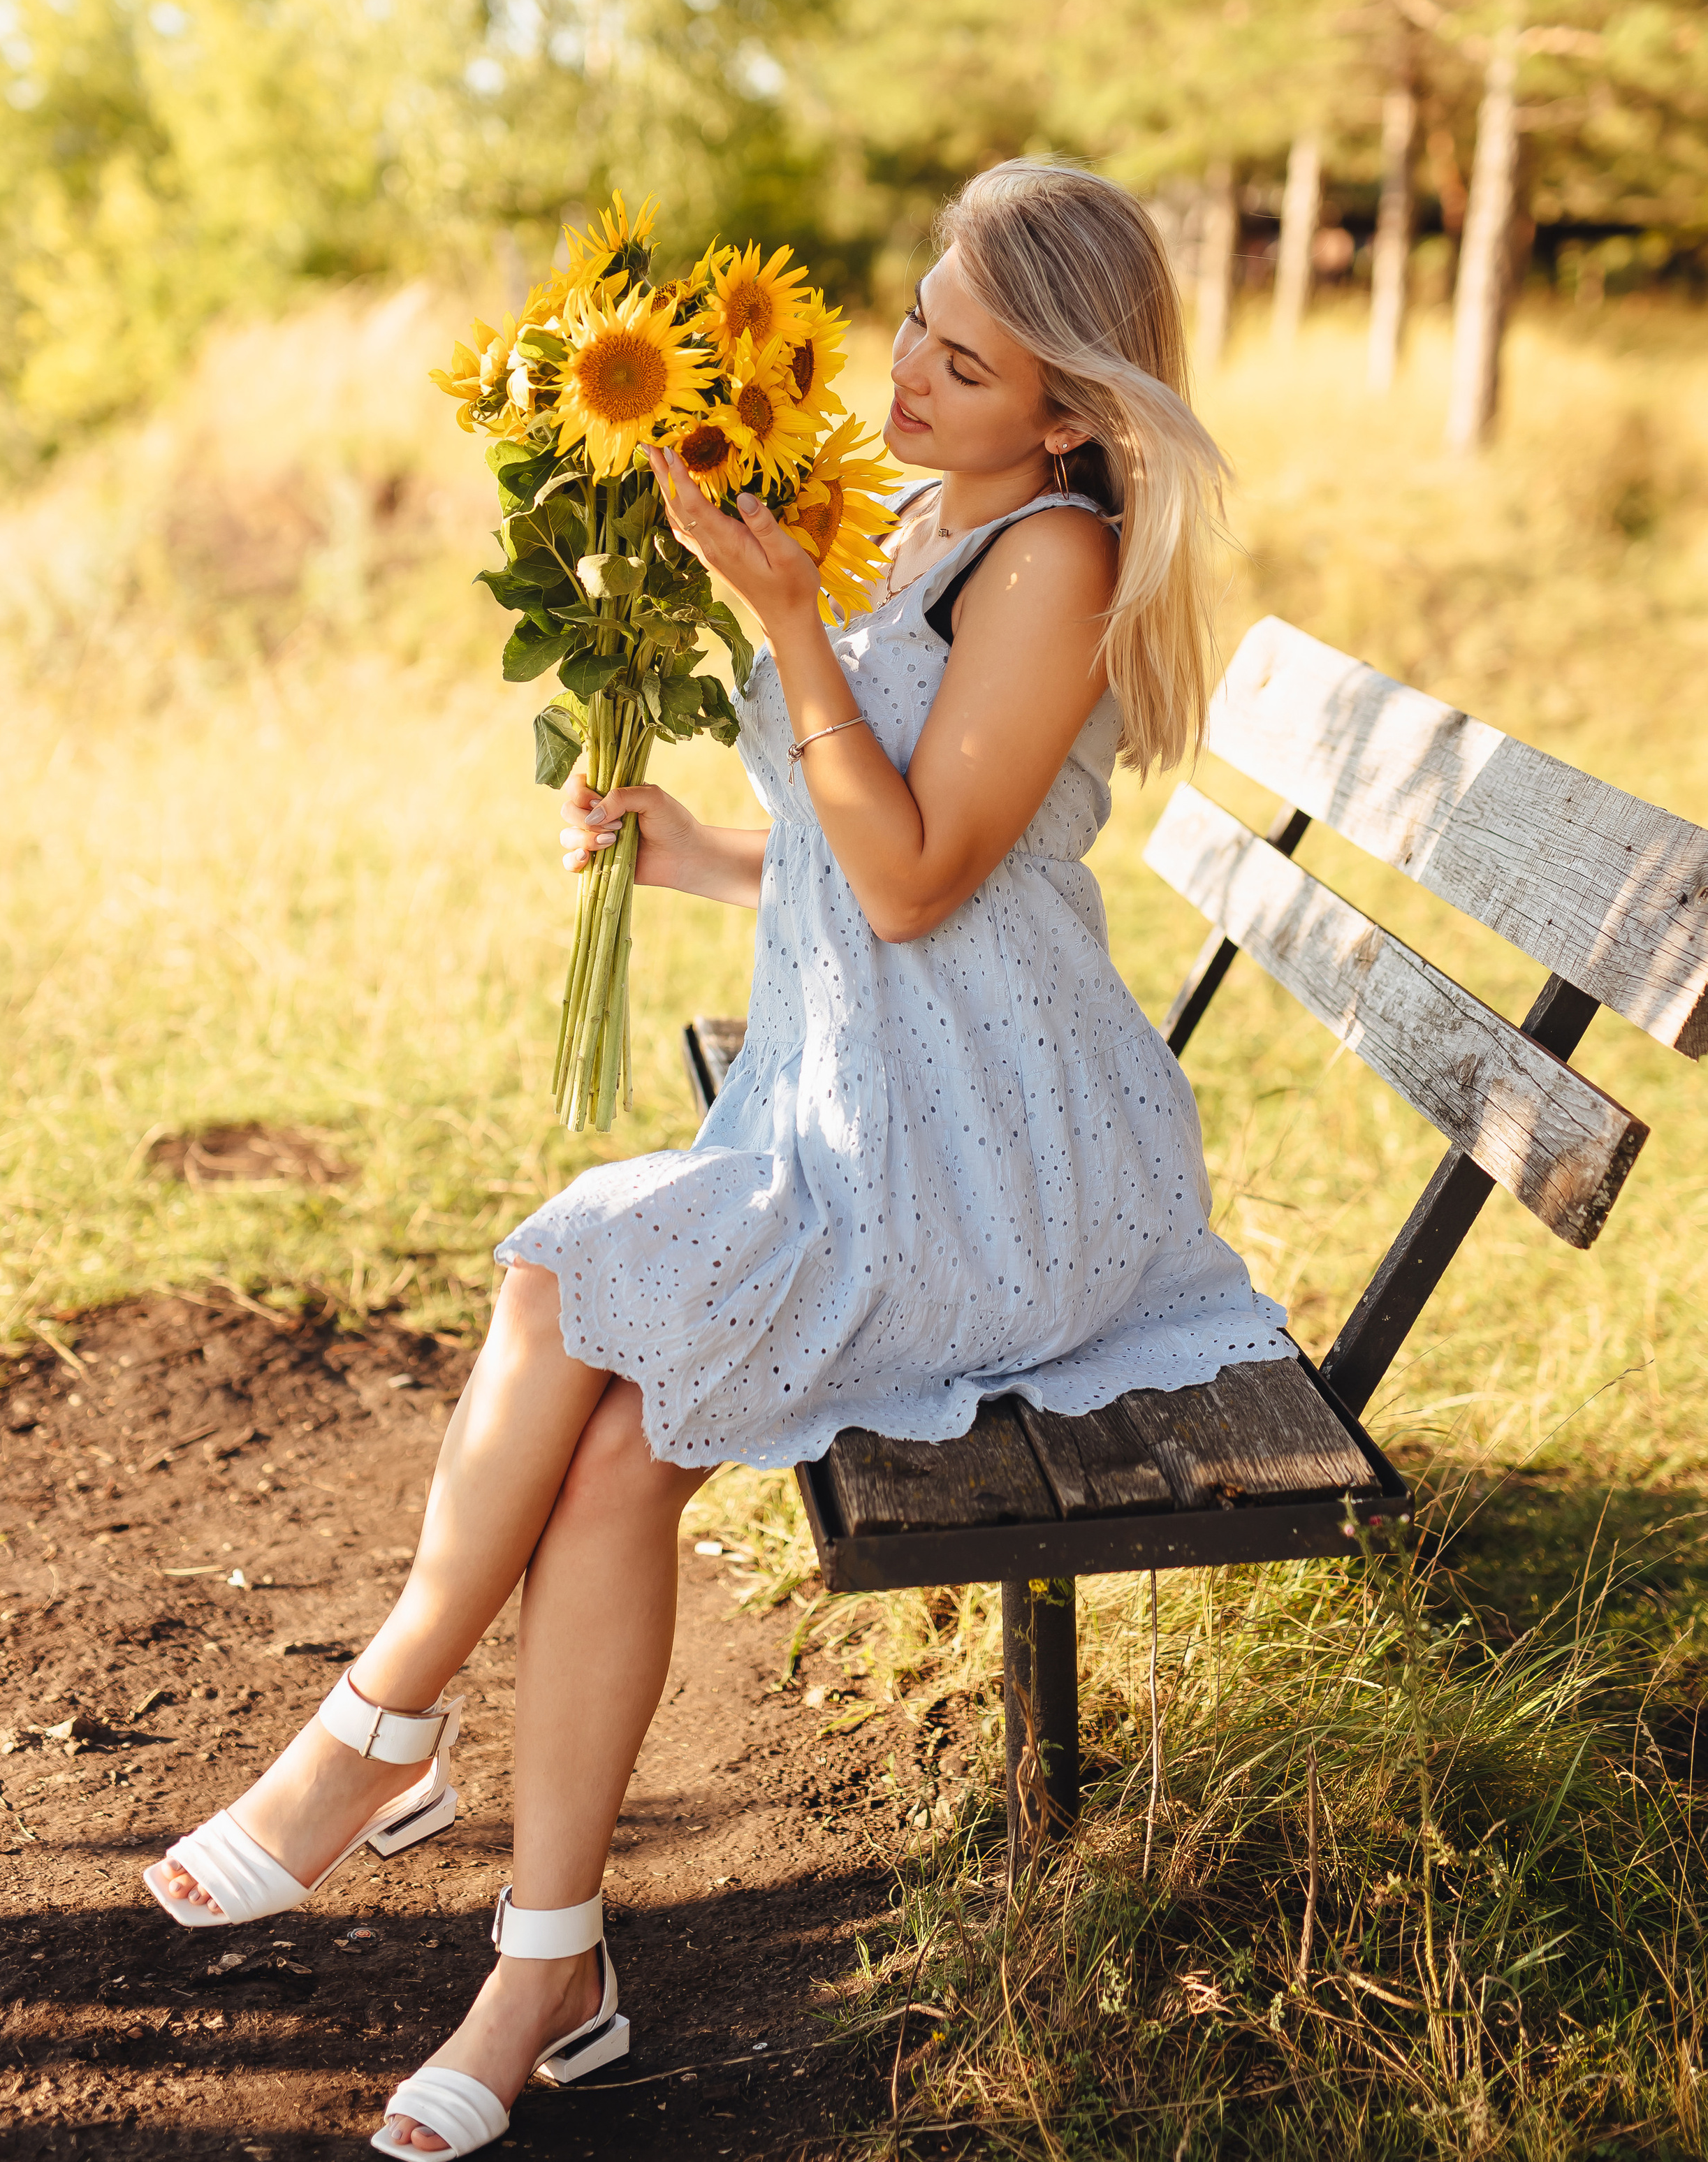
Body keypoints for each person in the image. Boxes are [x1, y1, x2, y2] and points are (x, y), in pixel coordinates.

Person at [142, 160, 1293, 2157]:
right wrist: (696, 853)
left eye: (963, 357)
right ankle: (545, 1963)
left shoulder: (1054, 562)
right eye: (914, 323)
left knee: (562, 1267)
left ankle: (378, 1727)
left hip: (1000, 1163)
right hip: (863, 1100)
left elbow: (928, 882)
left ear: (1076, 411)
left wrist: (785, 621)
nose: (904, 373)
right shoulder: (932, 505)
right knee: (607, 1446)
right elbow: (874, 856)